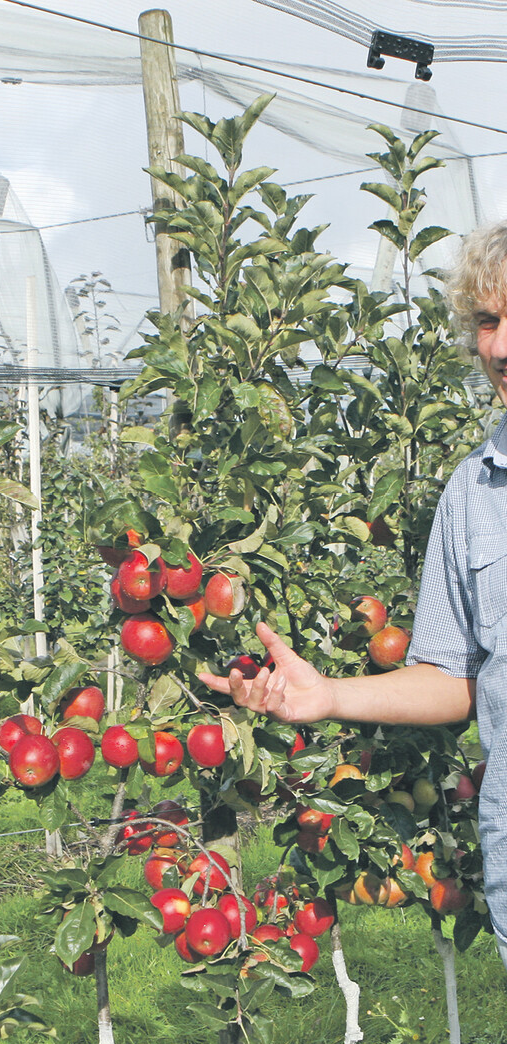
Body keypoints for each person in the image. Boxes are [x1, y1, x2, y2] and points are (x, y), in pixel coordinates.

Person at [198, 218, 507, 971]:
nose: (497, 346)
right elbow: (452, 678)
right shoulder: (472, 491)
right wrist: (327, 696)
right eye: (489, 322)